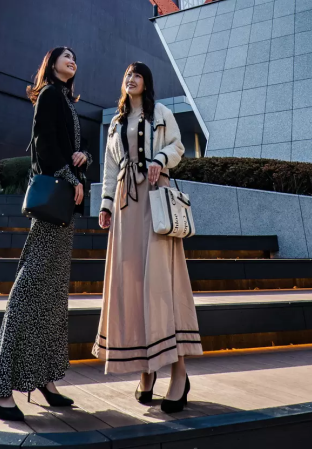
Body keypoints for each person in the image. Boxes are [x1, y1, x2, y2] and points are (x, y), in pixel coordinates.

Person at [0, 46, 91, 421]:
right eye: (66, 56)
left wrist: (83, 159)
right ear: (52, 63)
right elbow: (44, 146)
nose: (72, 60)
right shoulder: (48, 95)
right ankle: (0, 387)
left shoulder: (66, 100)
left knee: (53, 294)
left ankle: (44, 379)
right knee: (30, 290)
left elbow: (70, 147)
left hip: (64, 206)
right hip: (52, 205)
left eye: (75, 58)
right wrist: (67, 174)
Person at [93, 62, 202, 412]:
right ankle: (145, 369)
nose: (130, 78)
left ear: (146, 82)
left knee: (160, 284)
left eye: (137, 75)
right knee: (131, 284)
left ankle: (179, 373)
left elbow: (178, 147)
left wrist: (159, 158)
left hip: (156, 201)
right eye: (127, 75)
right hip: (126, 207)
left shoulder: (162, 113)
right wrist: (106, 204)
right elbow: (110, 168)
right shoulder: (116, 123)